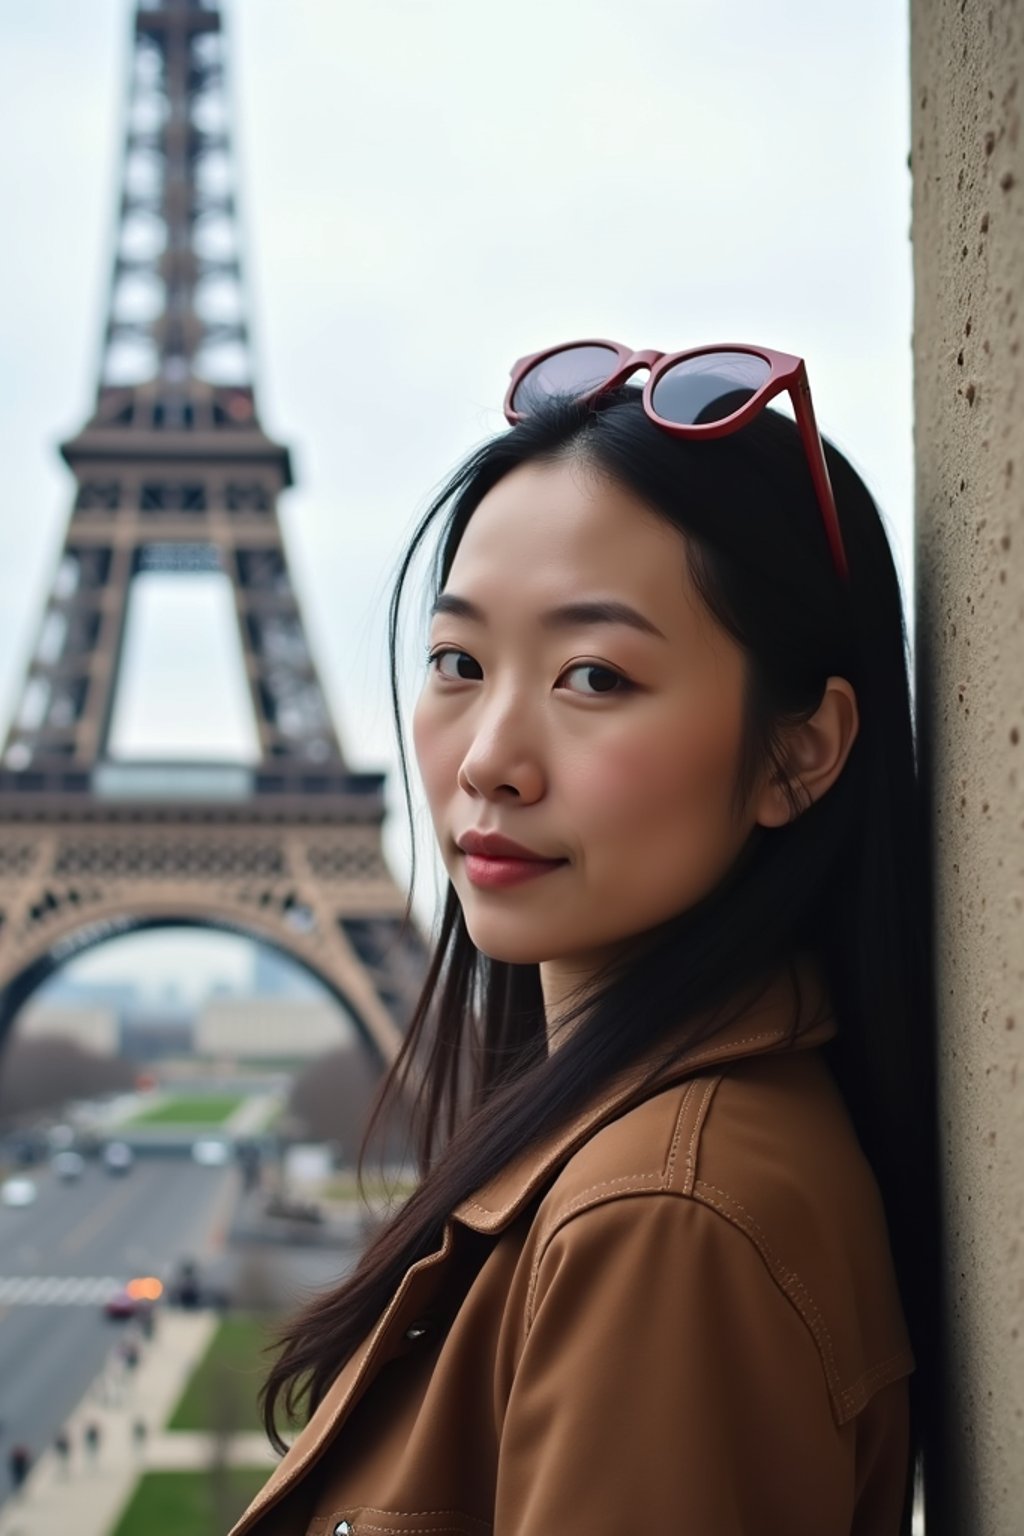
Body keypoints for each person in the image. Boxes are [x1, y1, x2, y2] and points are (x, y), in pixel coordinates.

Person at [231, 341, 939, 1535]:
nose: (488, 759)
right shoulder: (658, 1163)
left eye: (594, 676)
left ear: (798, 751)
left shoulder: (664, 1228)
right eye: (457, 660)